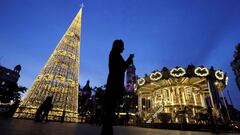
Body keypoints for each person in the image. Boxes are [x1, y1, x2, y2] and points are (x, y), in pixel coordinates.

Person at [101, 39, 134, 135]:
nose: (123, 48)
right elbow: (121, 68)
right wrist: (129, 59)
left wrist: (128, 60)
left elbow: (122, 67)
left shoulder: (115, 55)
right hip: (114, 84)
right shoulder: (115, 55)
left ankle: (106, 131)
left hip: (114, 84)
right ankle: (106, 132)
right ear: (118, 46)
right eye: (122, 46)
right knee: (110, 110)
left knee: (110, 110)